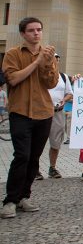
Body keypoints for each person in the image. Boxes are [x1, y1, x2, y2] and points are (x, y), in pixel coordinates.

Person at [0, 17, 59, 219]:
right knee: (21, 156)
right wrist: (37, 62)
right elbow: (14, 79)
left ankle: (24, 196)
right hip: (20, 112)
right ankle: (10, 200)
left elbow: (51, 84)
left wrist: (48, 63)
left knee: (33, 158)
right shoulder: (12, 54)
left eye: (39, 30)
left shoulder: (49, 55)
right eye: (32, 30)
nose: (36, 33)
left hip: (44, 112)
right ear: (23, 33)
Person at [45, 54, 73, 179]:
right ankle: (34, 169)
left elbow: (69, 93)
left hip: (58, 112)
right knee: (37, 142)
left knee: (56, 142)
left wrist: (64, 100)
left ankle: (52, 167)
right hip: (42, 113)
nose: (56, 61)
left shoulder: (63, 77)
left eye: (57, 59)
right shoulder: (41, 75)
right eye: (53, 59)